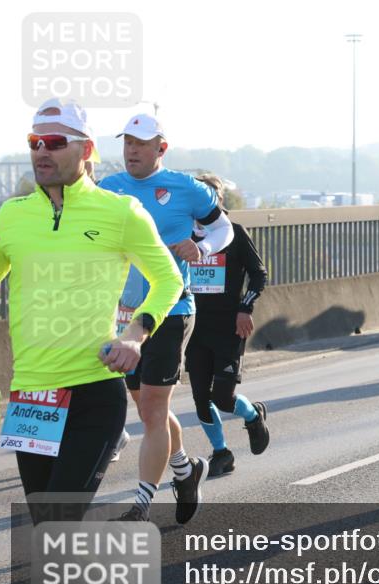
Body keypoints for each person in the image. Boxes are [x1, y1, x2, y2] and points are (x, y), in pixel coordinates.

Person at [0, 99, 182, 584]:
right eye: (34, 143)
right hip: (31, 398)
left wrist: (135, 335)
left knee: (61, 520)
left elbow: (168, 279)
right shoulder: (12, 216)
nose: (41, 152)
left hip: (93, 391)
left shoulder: (120, 212)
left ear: (86, 150)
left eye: (55, 143)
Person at [98, 114, 247, 523]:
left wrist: (201, 245)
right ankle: (186, 469)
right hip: (126, 318)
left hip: (173, 309)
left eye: (141, 143)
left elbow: (224, 229)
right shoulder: (108, 189)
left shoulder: (186, 188)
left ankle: (142, 502)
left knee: (153, 404)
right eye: (127, 142)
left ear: (161, 149)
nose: (131, 150)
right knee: (149, 411)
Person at [184, 173, 270, 477]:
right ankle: (221, 452)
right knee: (199, 399)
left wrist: (245, 308)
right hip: (194, 327)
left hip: (229, 328)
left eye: (210, 198)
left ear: (219, 202)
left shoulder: (233, 232)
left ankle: (252, 414)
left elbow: (259, 274)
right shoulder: (184, 234)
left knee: (222, 397)